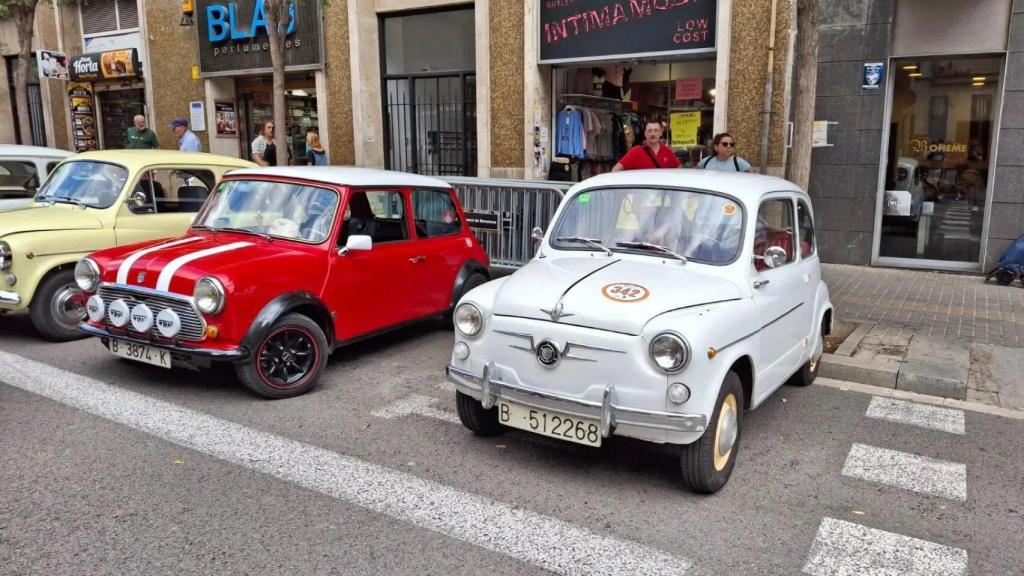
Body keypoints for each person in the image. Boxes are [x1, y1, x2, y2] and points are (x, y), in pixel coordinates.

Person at [611, 120, 681, 171]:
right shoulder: (636, 151)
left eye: (656, 130)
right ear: (645, 133)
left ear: (661, 133)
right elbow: (615, 170)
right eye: (649, 131)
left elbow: (678, 170)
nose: (653, 134)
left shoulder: (666, 150)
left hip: (662, 191)